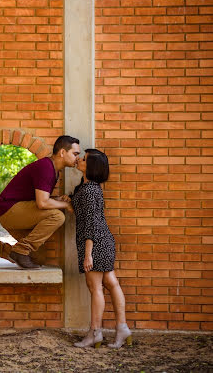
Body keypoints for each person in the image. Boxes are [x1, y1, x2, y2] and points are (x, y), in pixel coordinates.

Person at [0, 135, 80, 269]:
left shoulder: (54, 171)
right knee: (57, 216)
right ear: (62, 152)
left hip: (19, 212)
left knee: (37, 258)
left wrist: (58, 200)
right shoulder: (46, 167)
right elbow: (42, 203)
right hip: (9, 210)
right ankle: (21, 250)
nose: (77, 158)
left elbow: (40, 199)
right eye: (75, 153)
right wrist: (66, 204)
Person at [70, 148, 132, 349]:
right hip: (104, 240)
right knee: (111, 283)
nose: (79, 159)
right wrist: (67, 201)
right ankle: (122, 329)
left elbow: (90, 224)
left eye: (84, 159)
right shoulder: (90, 188)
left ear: (92, 167)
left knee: (95, 287)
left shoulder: (88, 190)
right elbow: (83, 213)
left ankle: (94, 333)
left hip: (95, 242)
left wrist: (88, 254)